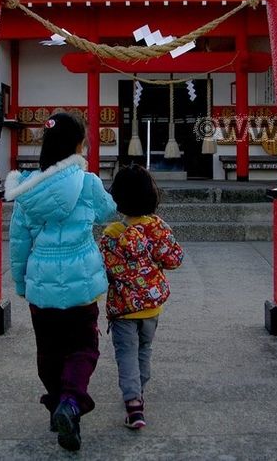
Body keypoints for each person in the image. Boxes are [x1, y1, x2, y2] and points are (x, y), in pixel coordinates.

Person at [5, 112, 117, 451]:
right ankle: (70, 402)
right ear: (78, 145)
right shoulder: (88, 183)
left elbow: (19, 242)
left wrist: (22, 284)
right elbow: (109, 212)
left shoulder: (27, 191)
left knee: (49, 351)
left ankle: (57, 404)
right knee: (83, 347)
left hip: (42, 284)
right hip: (81, 285)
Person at [99, 164, 184, 430]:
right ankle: (139, 391)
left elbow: (106, 270)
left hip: (124, 307)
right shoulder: (157, 228)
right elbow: (174, 259)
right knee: (144, 350)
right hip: (152, 306)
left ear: (118, 198)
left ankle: (133, 403)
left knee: (126, 353)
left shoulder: (112, 234)